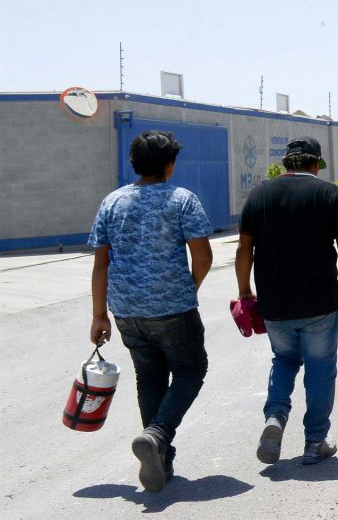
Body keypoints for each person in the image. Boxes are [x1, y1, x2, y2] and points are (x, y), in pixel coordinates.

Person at [235, 136, 338, 466]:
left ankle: (275, 417)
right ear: (315, 164)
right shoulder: (328, 194)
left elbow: (244, 249)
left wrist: (244, 291)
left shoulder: (258, 195)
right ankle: (315, 441)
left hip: (274, 305)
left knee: (284, 360)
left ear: (286, 162)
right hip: (319, 304)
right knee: (320, 369)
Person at [88, 130, 213, 493]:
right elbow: (203, 256)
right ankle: (157, 435)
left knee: (149, 377)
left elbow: (100, 264)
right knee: (191, 369)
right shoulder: (182, 199)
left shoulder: (112, 202)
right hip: (173, 307)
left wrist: (99, 315)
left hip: (126, 311)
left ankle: (161, 457)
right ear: (169, 165)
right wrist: (188, 287)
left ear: (134, 163)